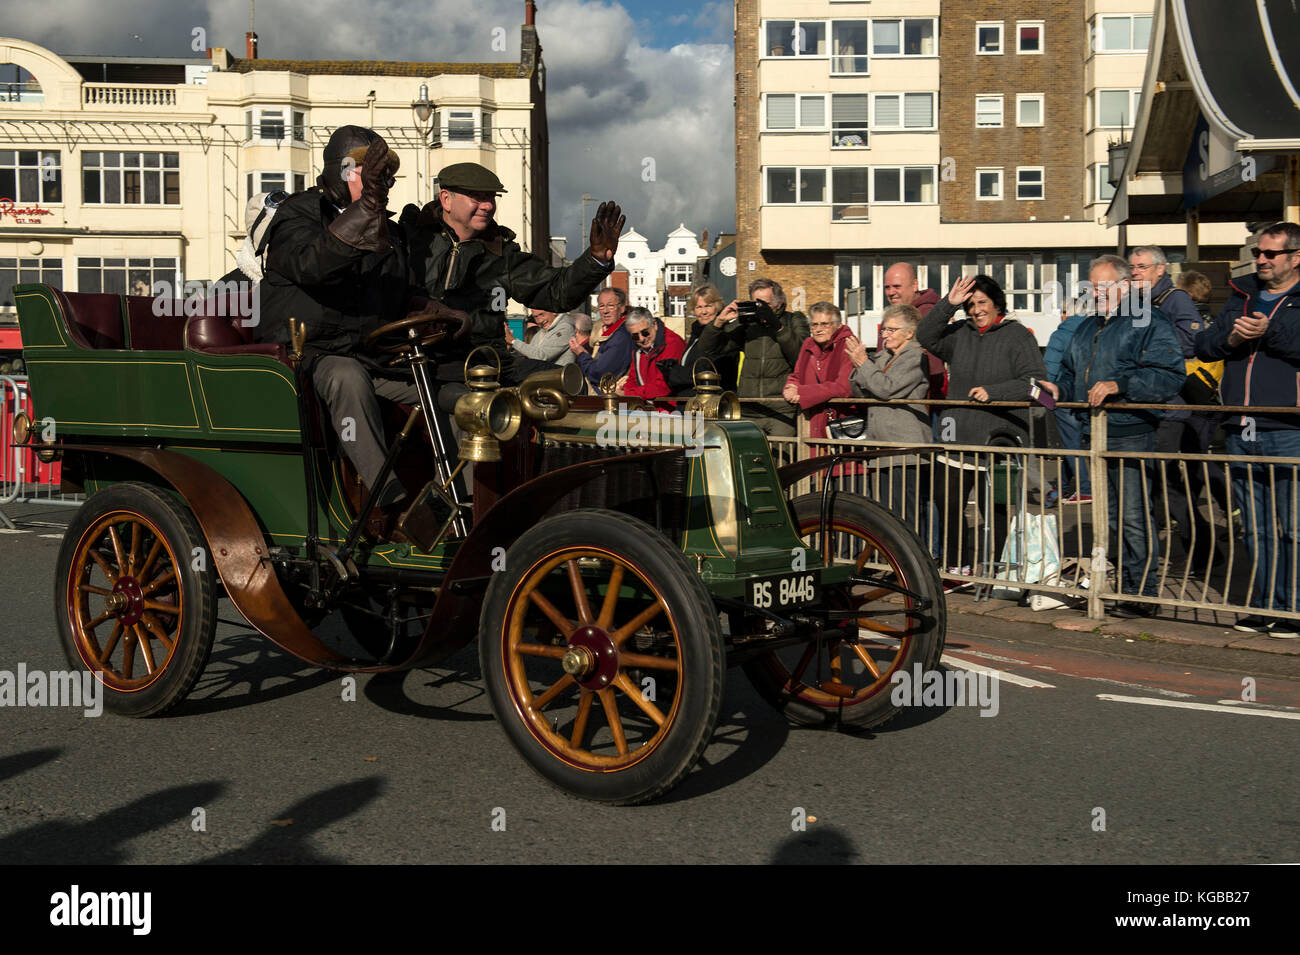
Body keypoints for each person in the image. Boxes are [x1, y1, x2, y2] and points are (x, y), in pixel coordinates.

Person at [258, 126, 425, 527]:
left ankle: (458, 499)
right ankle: (387, 504)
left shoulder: (388, 228)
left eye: (384, 176)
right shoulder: (297, 213)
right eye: (369, 173)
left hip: (369, 353)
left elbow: (402, 294)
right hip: (306, 356)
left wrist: (443, 315)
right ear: (340, 170)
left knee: (438, 388)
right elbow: (312, 265)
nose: (381, 183)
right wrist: (365, 211)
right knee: (347, 378)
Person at [1048, 254, 1185, 617]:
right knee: (1109, 518)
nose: (1097, 293)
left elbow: (1170, 375)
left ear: (1126, 287)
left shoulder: (1148, 319)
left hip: (1131, 431)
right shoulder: (1087, 326)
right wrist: (1055, 388)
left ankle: (1143, 593)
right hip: (1093, 431)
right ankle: (1124, 586)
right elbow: (1069, 373)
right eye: (1093, 287)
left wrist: (1119, 384)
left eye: (1104, 286)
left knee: (1133, 516)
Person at [406, 161, 622, 390]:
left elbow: (557, 291)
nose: (488, 206)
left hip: (487, 361)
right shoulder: (412, 241)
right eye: (477, 197)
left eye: (491, 197)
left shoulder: (502, 255)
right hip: (420, 358)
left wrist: (596, 259)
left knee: (566, 381)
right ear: (446, 199)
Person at [1195, 221, 1300, 637]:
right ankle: (1264, 604)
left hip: (1289, 426)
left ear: (1295, 257)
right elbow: (1203, 346)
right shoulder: (1241, 296)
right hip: (1241, 426)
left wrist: (1269, 332)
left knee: (1292, 524)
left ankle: (1292, 606)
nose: (1261, 260)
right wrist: (1233, 341)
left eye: (1271, 254)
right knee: (1253, 524)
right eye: (1259, 252)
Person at [916, 274, 1047, 576]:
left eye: (982, 302)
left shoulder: (1019, 336)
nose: (976, 310)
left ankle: (996, 569)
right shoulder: (960, 332)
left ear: (997, 302)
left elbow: (1036, 383)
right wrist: (949, 304)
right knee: (946, 500)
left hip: (1000, 440)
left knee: (996, 510)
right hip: (957, 435)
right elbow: (925, 335)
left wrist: (994, 392)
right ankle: (956, 565)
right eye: (971, 304)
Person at [1130, 246, 1217, 562]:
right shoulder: (1139, 303)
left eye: (1141, 267)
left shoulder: (1175, 299)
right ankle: (1152, 554)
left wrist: (1150, 349)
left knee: (1167, 486)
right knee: (1154, 484)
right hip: (1144, 406)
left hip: (1171, 407)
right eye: (1132, 267)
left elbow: (1193, 342)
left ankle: (1203, 551)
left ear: (1159, 270)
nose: (1135, 272)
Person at [846, 303, 932, 533]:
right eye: (884, 329)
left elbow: (886, 389)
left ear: (909, 333)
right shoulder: (882, 356)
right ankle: (890, 561)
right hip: (882, 444)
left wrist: (864, 364)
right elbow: (861, 391)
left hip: (905, 447)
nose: (885, 335)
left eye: (892, 330)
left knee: (906, 512)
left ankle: (912, 564)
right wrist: (858, 364)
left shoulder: (915, 356)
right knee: (887, 513)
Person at [698, 277, 809, 435]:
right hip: (749, 409)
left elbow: (800, 356)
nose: (760, 309)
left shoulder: (793, 320)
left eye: (766, 305)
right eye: (756, 304)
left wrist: (777, 326)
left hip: (781, 410)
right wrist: (720, 321)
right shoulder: (748, 325)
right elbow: (708, 348)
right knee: (749, 458)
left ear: (779, 302)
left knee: (781, 457)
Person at [783, 302, 854, 437]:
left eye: (824, 324)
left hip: (841, 421)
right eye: (814, 324)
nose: (818, 329)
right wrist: (789, 387)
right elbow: (797, 375)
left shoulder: (848, 344)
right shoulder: (808, 344)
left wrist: (801, 392)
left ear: (838, 325)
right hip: (812, 420)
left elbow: (844, 387)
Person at [1043, 304, 1091, 503]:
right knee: (1069, 440)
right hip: (1087, 393)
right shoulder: (1092, 329)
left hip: (1063, 394)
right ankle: (1061, 488)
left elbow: (1049, 369)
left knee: (1070, 443)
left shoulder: (1061, 334)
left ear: (1067, 313)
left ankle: (1086, 488)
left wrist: (1045, 396)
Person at [667, 284, 739, 393]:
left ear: (717, 307)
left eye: (708, 306)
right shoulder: (696, 333)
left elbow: (706, 370)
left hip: (712, 401)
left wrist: (673, 373)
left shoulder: (724, 333)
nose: (703, 312)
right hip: (690, 400)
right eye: (699, 307)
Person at [616, 308, 685, 400]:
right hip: (649, 405)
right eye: (635, 336)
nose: (641, 339)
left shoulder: (672, 344)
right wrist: (623, 393)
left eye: (645, 332)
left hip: (670, 407)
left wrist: (628, 393)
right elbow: (633, 379)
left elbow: (663, 387)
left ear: (655, 325)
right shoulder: (638, 349)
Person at [572, 287, 634, 388]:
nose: (605, 311)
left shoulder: (621, 336)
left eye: (610, 306)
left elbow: (600, 374)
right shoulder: (607, 332)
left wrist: (581, 354)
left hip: (617, 399)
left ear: (622, 308)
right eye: (601, 306)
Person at [506, 306, 575, 366]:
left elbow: (542, 356)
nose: (539, 320)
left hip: (555, 379)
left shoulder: (565, 328)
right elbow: (530, 353)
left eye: (542, 314)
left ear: (554, 312)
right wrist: (512, 347)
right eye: (535, 317)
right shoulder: (543, 331)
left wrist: (514, 341)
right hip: (542, 377)